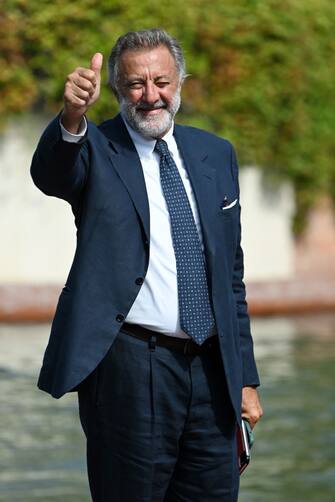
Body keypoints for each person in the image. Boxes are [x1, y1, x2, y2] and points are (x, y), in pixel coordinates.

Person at [31, 28, 263, 502]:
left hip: (213, 372)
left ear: (180, 82)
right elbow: (51, 174)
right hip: (131, 369)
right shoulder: (94, 147)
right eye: (136, 84)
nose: (151, 95)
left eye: (162, 81)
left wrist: (244, 379)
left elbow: (230, 279)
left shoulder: (216, 153)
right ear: (117, 89)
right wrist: (73, 115)